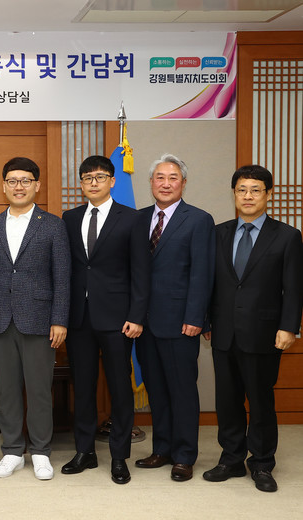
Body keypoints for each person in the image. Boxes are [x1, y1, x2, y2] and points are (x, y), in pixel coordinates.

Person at [202, 165, 303, 493]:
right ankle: (231, 459)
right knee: (227, 400)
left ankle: (261, 462)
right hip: (223, 331)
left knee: (260, 401)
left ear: (268, 194)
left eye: (255, 190)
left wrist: (289, 327)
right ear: (234, 194)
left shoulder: (287, 236)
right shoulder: (218, 233)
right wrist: (206, 320)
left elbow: (294, 287)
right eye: (241, 189)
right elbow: (209, 283)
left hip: (264, 332)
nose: (248, 196)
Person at [60, 155, 150, 485]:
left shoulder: (132, 218)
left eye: (100, 177)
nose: (94, 182)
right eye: (87, 178)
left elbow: (141, 271)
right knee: (83, 388)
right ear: (81, 184)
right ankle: (84, 451)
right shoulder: (69, 218)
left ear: (112, 181)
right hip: (79, 319)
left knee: (119, 389)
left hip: (118, 319)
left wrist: (136, 315)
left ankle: (119, 456)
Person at [0, 157, 70, 481]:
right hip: (0, 319)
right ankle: (12, 451)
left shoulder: (53, 225)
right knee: (7, 390)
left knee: (39, 389)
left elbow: (62, 276)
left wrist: (60, 319)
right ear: (4, 186)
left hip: (40, 319)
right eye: (12, 181)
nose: (19, 186)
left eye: (25, 180)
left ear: (37, 185)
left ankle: (42, 452)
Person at [134, 153, 215, 482]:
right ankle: (162, 449)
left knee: (182, 391)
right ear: (151, 182)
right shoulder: (138, 219)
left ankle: (184, 455)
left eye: (173, 178)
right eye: (160, 177)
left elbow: (202, 273)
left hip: (182, 322)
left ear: (183, 183)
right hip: (144, 323)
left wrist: (196, 317)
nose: (165, 184)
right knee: (156, 390)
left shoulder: (198, 220)